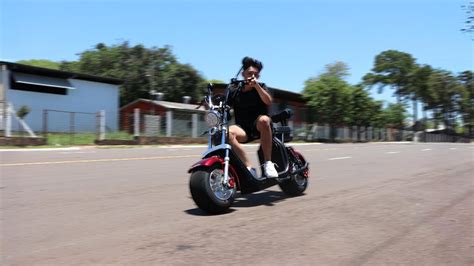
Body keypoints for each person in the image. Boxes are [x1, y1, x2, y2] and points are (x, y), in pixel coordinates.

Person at [228, 56, 278, 179]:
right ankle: (249, 168)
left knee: (264, 120)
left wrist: (256, 86)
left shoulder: (261, 87)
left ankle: (268, 163)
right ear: (242, 74)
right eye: (250, 73)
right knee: (227, 132)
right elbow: (226, 106)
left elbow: (268, 101)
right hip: (243, 129)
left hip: (259, 126)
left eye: (256, 74)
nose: (252, 76)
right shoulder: (234, 90)